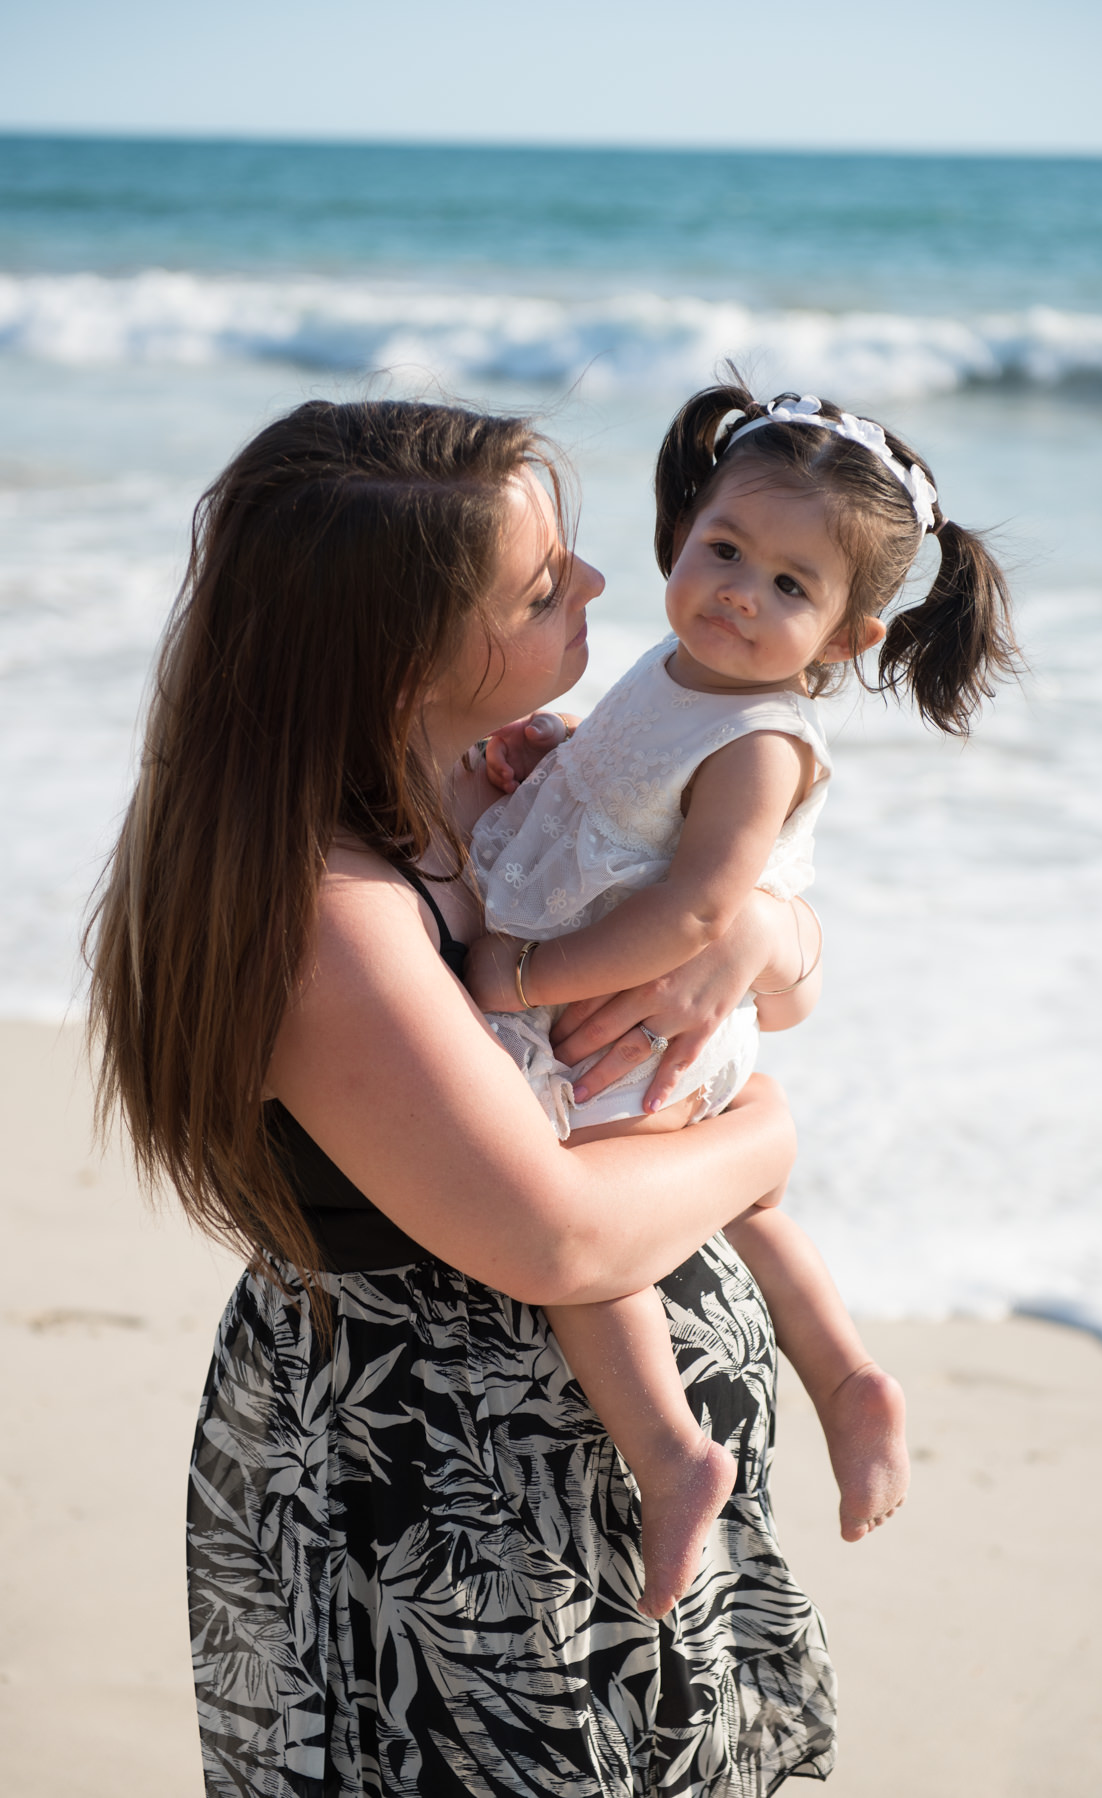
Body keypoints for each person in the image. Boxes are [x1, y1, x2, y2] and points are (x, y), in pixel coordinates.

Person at [86, 397, 840, 1797]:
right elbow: (550, 1237)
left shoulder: (505, 763)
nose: (607, 585)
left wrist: (751, 934)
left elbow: (772, 974)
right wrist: (766, 1134)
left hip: (584, 1484)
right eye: (544, 585)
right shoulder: (323, 909)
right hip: (442, 1506)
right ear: (401, 653)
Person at [465, 380, 1019, 1622]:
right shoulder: (678, 666)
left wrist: (523, 975)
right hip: (651, 992)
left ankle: (671, 1454)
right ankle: (847, 1376)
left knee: (588, 1205)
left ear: (846, 637)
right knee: (752, 1200)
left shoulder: (765, 739)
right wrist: (558, 752)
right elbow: (629, 791)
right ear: (683, 531)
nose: (739, 593)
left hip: (643, 1001)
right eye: (724, 550)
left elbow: (704, 911)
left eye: (789, 586)